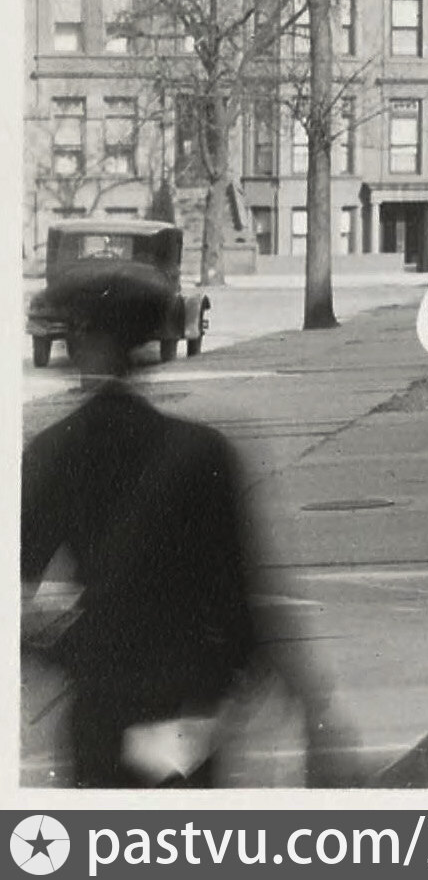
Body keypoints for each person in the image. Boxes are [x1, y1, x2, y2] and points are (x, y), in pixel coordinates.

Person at [20, 260, 342, 785]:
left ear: (75, 347)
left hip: (103, 707)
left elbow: (18, 585)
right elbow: (246, 596)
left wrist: (68, 649)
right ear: (147, 346)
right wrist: (311, 710)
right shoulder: (201, 450)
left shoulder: (55, 451)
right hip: (188, 711)